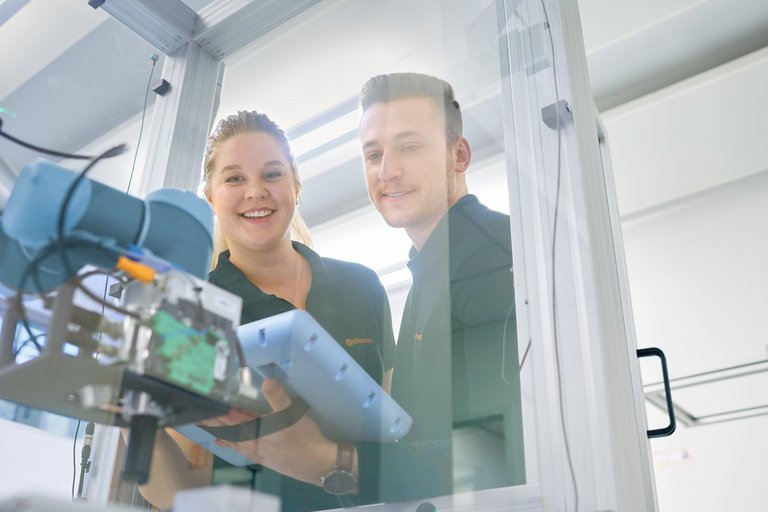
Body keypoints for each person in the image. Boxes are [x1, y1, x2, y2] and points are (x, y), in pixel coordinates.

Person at [137, 110, 395, 512]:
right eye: (235, 178)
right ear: (212, 197)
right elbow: (182, 488)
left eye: (272, 174)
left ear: (296, 185)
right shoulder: (192, 316)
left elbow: (390, 437)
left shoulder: (362, 286)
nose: (255, 191)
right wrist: (128, 408)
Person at [357, 72, 525, 502]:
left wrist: (334, 459)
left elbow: (493, 456)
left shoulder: (489, 255)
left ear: (459, 155)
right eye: (373, 153)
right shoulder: (430, 267)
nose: (387, 171)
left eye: (408, 147)